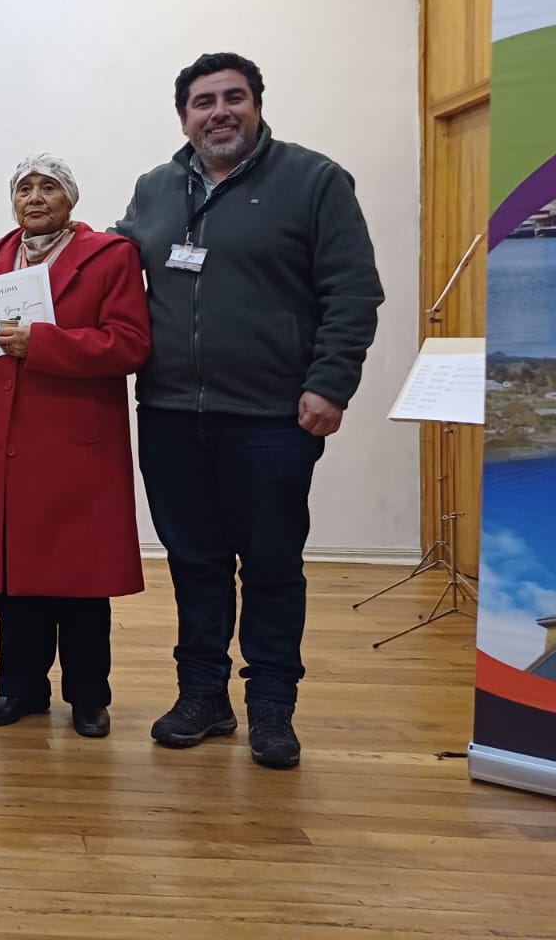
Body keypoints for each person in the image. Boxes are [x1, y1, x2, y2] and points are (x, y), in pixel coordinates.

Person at [115, 52, 382, 769]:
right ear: (184, 118)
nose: (219, 112)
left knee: (270, 564)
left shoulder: (314, 181)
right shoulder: (156, 189)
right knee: (194, 561)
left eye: (234, 98)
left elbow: (354, 292)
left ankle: (271, 707)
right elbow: (101, 265)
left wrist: (331, 383)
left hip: (272, 417)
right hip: (170, 411)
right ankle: (202, 697)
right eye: (203, 102)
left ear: (258, 105)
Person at [0, 156, 150, 737]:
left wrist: (45, 344)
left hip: (74, 440)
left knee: (81, 581)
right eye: (24, 187)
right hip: (1, 438)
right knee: (12, 579)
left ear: (71, 198)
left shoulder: (112, 256)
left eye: (49, 186)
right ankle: (20, 689)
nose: (35, 197)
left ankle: (89, 696)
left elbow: (130, 344)